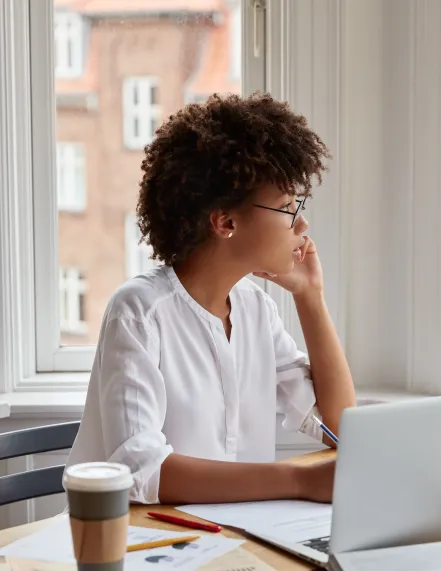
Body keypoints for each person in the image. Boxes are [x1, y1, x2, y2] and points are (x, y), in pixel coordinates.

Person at [66, 92, 356, 505]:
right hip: (145, 549)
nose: (302, 222)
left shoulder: (256, 309)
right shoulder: (139, 313)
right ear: (225, 222)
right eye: (287, 207)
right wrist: (297, 480)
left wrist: (311, 297)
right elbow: (141, 469)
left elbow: (341, 427)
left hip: (238, 541)